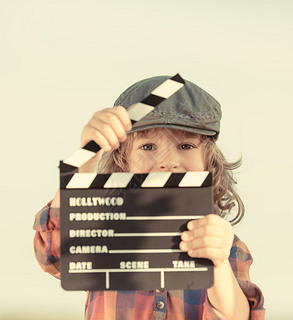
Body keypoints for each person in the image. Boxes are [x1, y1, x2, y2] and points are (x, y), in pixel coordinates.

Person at [33, 75, 265, 320]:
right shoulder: (104, 233)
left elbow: (239, 316)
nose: (166, 162)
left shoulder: (226, 246)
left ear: (209, 164)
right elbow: (53, 257)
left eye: (185, 146)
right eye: (148, 147)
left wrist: (217, 266)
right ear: (123, 163)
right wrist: (88, 156)